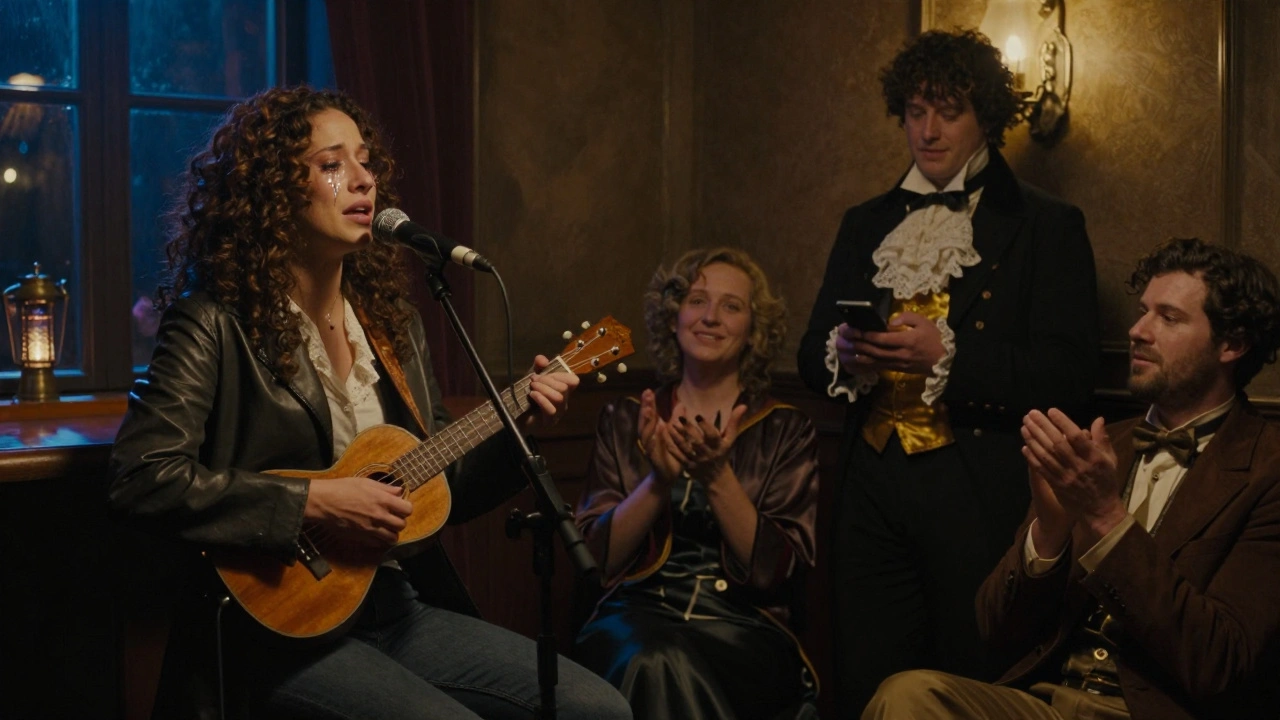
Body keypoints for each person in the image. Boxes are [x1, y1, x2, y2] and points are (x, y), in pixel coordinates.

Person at [108, 85, 632, 720]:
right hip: (275, 629)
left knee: (595, 707)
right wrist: (317, 500)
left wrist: (518, 420)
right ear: (274, 193)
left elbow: (447, 487)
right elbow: (142, 478)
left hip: (393, 605)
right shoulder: (214, 323)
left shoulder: (392, 324)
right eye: (332, 165)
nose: (363, 180)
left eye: (364, 162)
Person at [796, 28, 1101, 715]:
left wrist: (951, 360)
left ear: (987, 116)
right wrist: (841, 357)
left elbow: (1069, 376)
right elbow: (808, 352)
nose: (928, 131)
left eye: (949, 111)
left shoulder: (1045, 224)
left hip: (979, 488)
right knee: (868, 674)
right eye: (915, 111)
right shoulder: (864, 222)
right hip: (870, 485)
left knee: (968, 678)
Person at [863, 237, 1280, 720]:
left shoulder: (1266, 470)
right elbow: (995, 630)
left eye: (1168, 318)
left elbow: (1218, 663)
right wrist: (1049, 530)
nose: (1137, 330)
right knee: (908, 695)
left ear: (1233, 344)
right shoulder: (1101, 446)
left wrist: (1104, 515)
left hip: (1154, 711)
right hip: (1047, 701)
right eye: (1143, 311)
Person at [573, 247, 821, 720]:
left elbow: (777, 573)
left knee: (665, 661)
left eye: (732, 306)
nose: (711, 317)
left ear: (753, 331)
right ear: (672, 318)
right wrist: (657, 481)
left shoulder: (786, 429)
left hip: (744, 627)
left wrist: (717, 476)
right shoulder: (625, 419)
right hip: (632, 615)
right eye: (696, 300)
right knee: (653, 656)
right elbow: (594, 560)